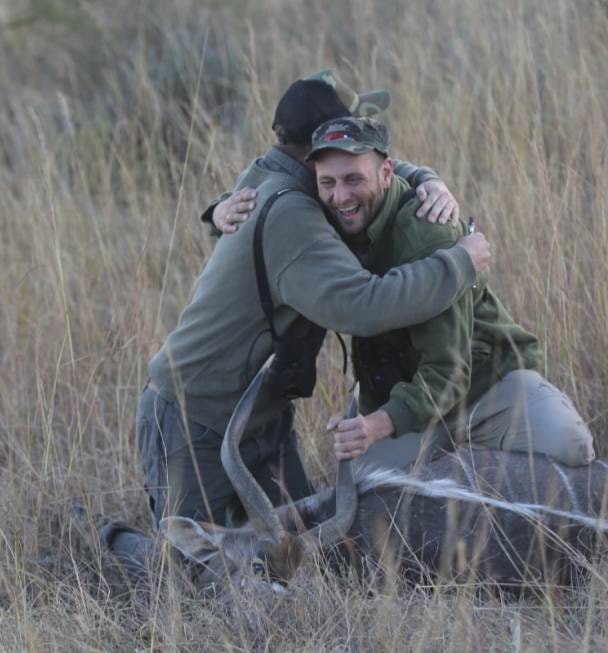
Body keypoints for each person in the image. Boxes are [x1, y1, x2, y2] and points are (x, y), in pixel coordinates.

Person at [140, 71, 491, 526]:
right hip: (195, 414)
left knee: (304, 552)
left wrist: (429, 179)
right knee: (193, 571)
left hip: (256, 413)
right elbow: (363, 307)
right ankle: (111, 541)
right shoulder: (293, 215)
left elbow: (378, 167)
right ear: (315, 153)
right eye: (348, 132)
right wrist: (459, 263)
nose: (356, 142)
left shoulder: (277, 174)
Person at [306, 116, 596, 469]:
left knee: (573, 448)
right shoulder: (322, 224)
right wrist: (225, 207)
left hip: (486, 388)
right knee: (365, 495)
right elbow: (272, 185)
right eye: (328, 183)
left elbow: (449, 370)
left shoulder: (429, 230)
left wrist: (374, 426)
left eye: (354, 179)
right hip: (411, 406)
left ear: (386, 173)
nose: (340, 196)